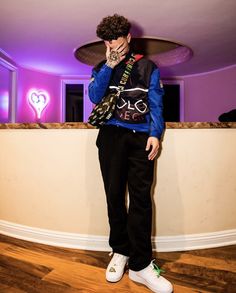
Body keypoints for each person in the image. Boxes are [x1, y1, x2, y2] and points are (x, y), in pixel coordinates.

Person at [88, 14, 173, 293]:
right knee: (114, 196)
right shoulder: (102, 65)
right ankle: (120, 251)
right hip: (111, 136)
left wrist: (154, 134)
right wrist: (108, 66)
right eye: (107, 39)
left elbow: (156, 104)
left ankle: (141, 265)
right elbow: (93, 96)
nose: (112, 43)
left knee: (141, 200)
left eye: (117, 37)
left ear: (128, 37)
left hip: (140, 139)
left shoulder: (149, 67)